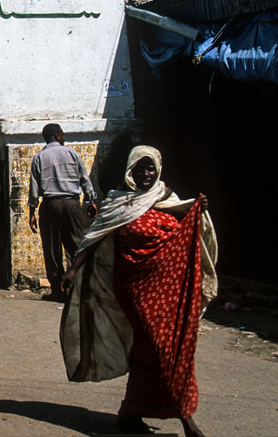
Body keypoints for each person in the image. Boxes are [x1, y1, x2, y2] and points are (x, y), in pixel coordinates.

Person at [59, 146, 218, 437]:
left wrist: (199, 208)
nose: (146, 174)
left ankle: (130, 414)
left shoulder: (166, 197)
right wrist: (73, 270)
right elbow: (94, 237)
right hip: (134, 289)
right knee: (160, 349)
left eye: (150, 168)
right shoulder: (117, 202)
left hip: (167, 289)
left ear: (158, 169)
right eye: (139, 168)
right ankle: (187, 421)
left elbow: (187, 222)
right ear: (130, 170)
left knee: (153, 351)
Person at [28, 123, 98, 301]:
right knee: (77, 245)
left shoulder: (39, 157)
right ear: (57, 135)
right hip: (72, 204)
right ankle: (76, 287)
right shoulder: (72, 153)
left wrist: (32, 211)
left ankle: (57, 290)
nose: (64, 136)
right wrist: (90, 202)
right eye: (62, 134)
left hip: (50, 205)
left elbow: (34, 188)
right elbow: (85, 180)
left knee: (52, 249)